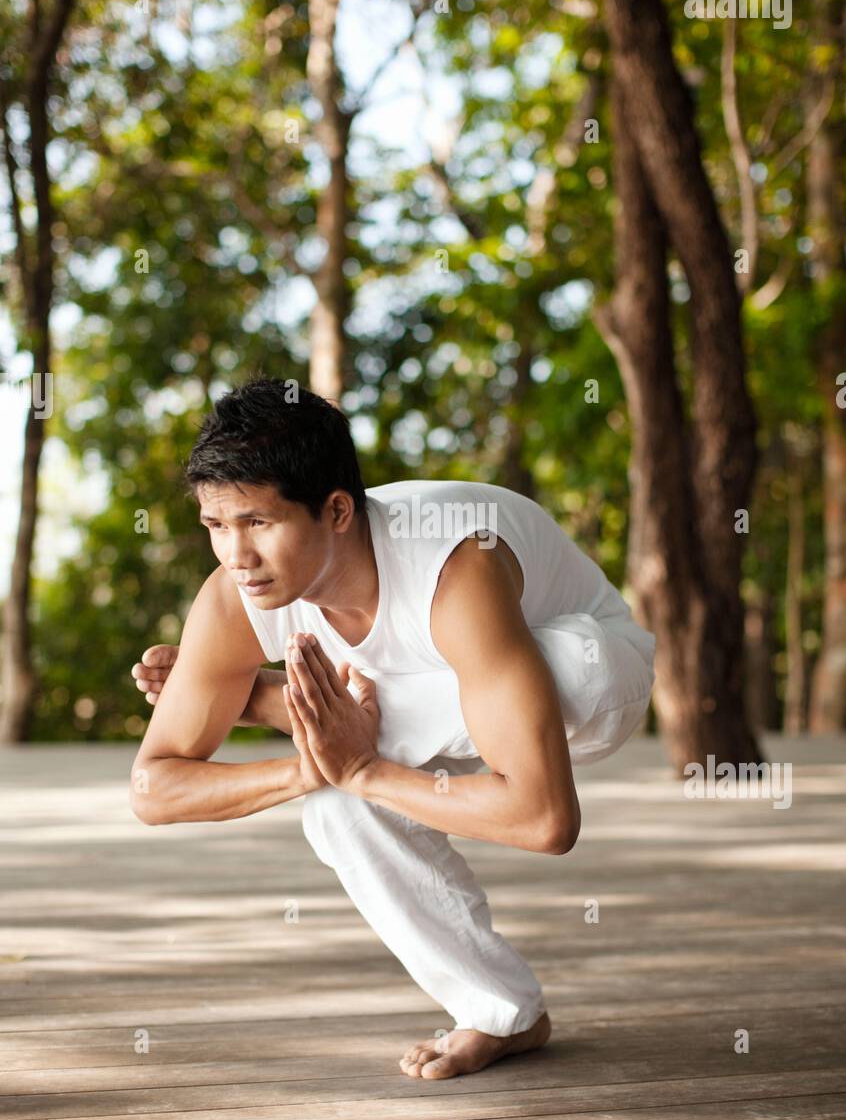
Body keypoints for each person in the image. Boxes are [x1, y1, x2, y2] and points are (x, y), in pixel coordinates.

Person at [130, 377, 655, 1080]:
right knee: (335, 809)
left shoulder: (453, 564)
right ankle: (504, 1013)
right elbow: (153, 789)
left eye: (258, 522)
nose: (235, 554)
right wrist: (313, 768)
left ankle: (275, 703)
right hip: (432, 699)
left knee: (571, 672)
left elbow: (544, 820)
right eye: (216, 526)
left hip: (588, 680)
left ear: (337, 510)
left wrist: (361, 766)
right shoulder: (237, 595)